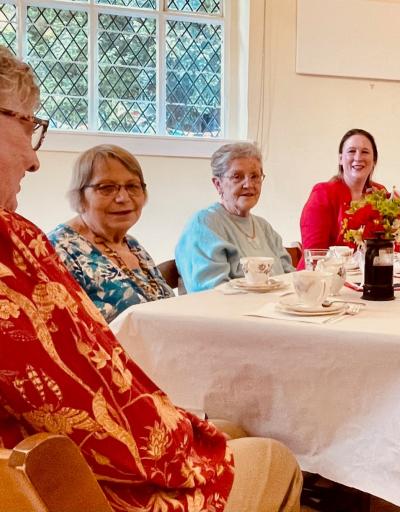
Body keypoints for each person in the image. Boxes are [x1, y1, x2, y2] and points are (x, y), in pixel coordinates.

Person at [0, 46, 301, 512]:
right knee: (274, 449)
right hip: (80, 472)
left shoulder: (138, 249)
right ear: (79, 197)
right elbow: (85, 405)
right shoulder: (21, 243)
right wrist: (192, 439)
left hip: (144, 398)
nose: (35, 160)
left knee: (247, 422)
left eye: (132, 187)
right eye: (28, 126)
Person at [48, 145, 174, 323]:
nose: (123, 198)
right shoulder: (59, 251)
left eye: (132, 186)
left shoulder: (131, 244)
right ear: (80, 195)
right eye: (107, 188)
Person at [176, 142, 294, 292]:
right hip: (233, 314)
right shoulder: (204, 225)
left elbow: (289, 279)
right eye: (237, 177)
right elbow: (213, 293)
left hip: (274, 311)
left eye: (255, 176)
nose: (248, 184)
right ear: (218, 184)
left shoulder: (264, 227)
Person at [300, 128, 388, 250]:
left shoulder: (380, 193)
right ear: (341, 159)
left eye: (365, 152)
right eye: (352, 151)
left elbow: (388, 245)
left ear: (374, 161)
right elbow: (314, 252)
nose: (358, 158)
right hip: (323, 268)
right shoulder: (322, 193)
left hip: (370, 269)